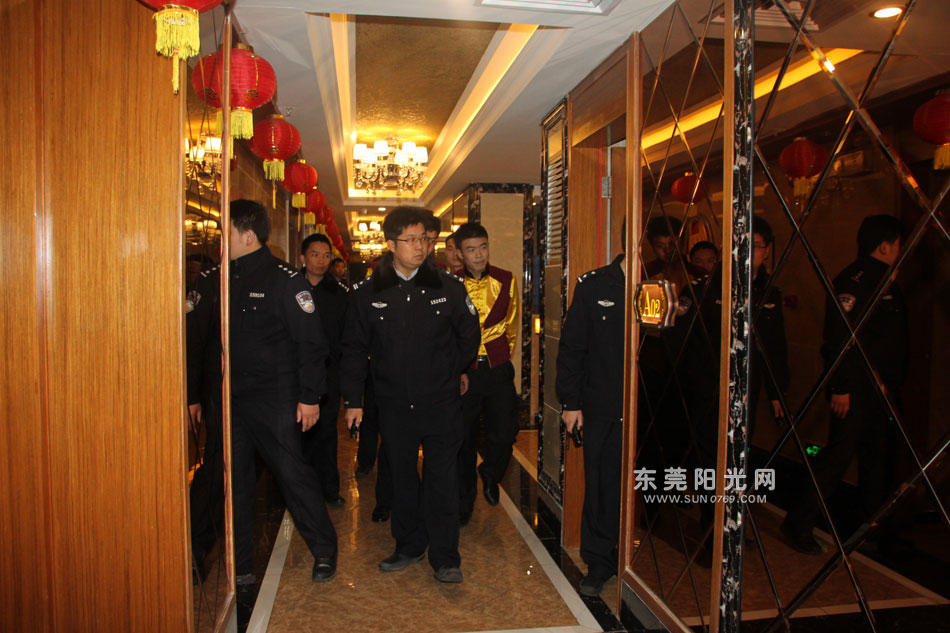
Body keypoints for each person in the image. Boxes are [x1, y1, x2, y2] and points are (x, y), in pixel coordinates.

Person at [188, 199, 339, 583]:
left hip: (275, 399)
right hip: (226, 401)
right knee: (225, 480)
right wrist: (192, 395)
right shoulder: (213, 279)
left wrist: (310, 397)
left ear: (248, 235)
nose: (221, 240)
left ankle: (324, 549)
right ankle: (233, 564)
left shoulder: (285, 280)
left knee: (292, 474)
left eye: (226, 232)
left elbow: (311, 343)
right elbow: (195, 342)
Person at [341, 206, 480, 583]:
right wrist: (353, 400)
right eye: (411, 240)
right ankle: (409, 545)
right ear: (390, 244)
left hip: (440, 403)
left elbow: (469, 336)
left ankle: (446, 557)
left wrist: (450, 371)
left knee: (442, 480)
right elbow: (353, 348)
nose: (421, 247)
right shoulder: (369, 292)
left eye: (424, 239)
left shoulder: (448, 287)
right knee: (402, 477)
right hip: (393, 404)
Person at [781, 215, 906, 555]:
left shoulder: (884, 279)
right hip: (857, 388)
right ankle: (799, 522)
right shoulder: (858, 280)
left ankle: (871, 531)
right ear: (885, 246)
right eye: (898, 244)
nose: (900, 251)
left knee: (875, 461)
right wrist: (840, 387)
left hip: (879, 390)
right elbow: (838, 338)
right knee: (838, 457)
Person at [556, 239, 625, 597]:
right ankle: (599, 560)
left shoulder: (671, 285)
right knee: (601, 483)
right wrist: (571, 402)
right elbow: (573, 347)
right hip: (602, 404)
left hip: (652, 409)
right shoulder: (594, 285)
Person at [453, 222, 520, 524]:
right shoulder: (451, 284)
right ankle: (464, 503)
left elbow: (512, 325)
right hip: (464, 373)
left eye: (483, 247)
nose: (479, 254)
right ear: (460, 254)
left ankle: (491, 473)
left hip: (497, 368)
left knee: (506, 432)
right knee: (463, 439)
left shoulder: (506, 279)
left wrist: (502, 357)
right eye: (471, 250)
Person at [299, 233, 349, 507]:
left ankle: (329, 488)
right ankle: (300, 490)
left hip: (329, 373)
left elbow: (346, 336)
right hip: (296, 374)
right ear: (303, 258)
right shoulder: (290, 288)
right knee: (298, 434)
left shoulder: (339, 294)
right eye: (315, 254)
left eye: (326, 255)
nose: (321, 260)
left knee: (327, 432)